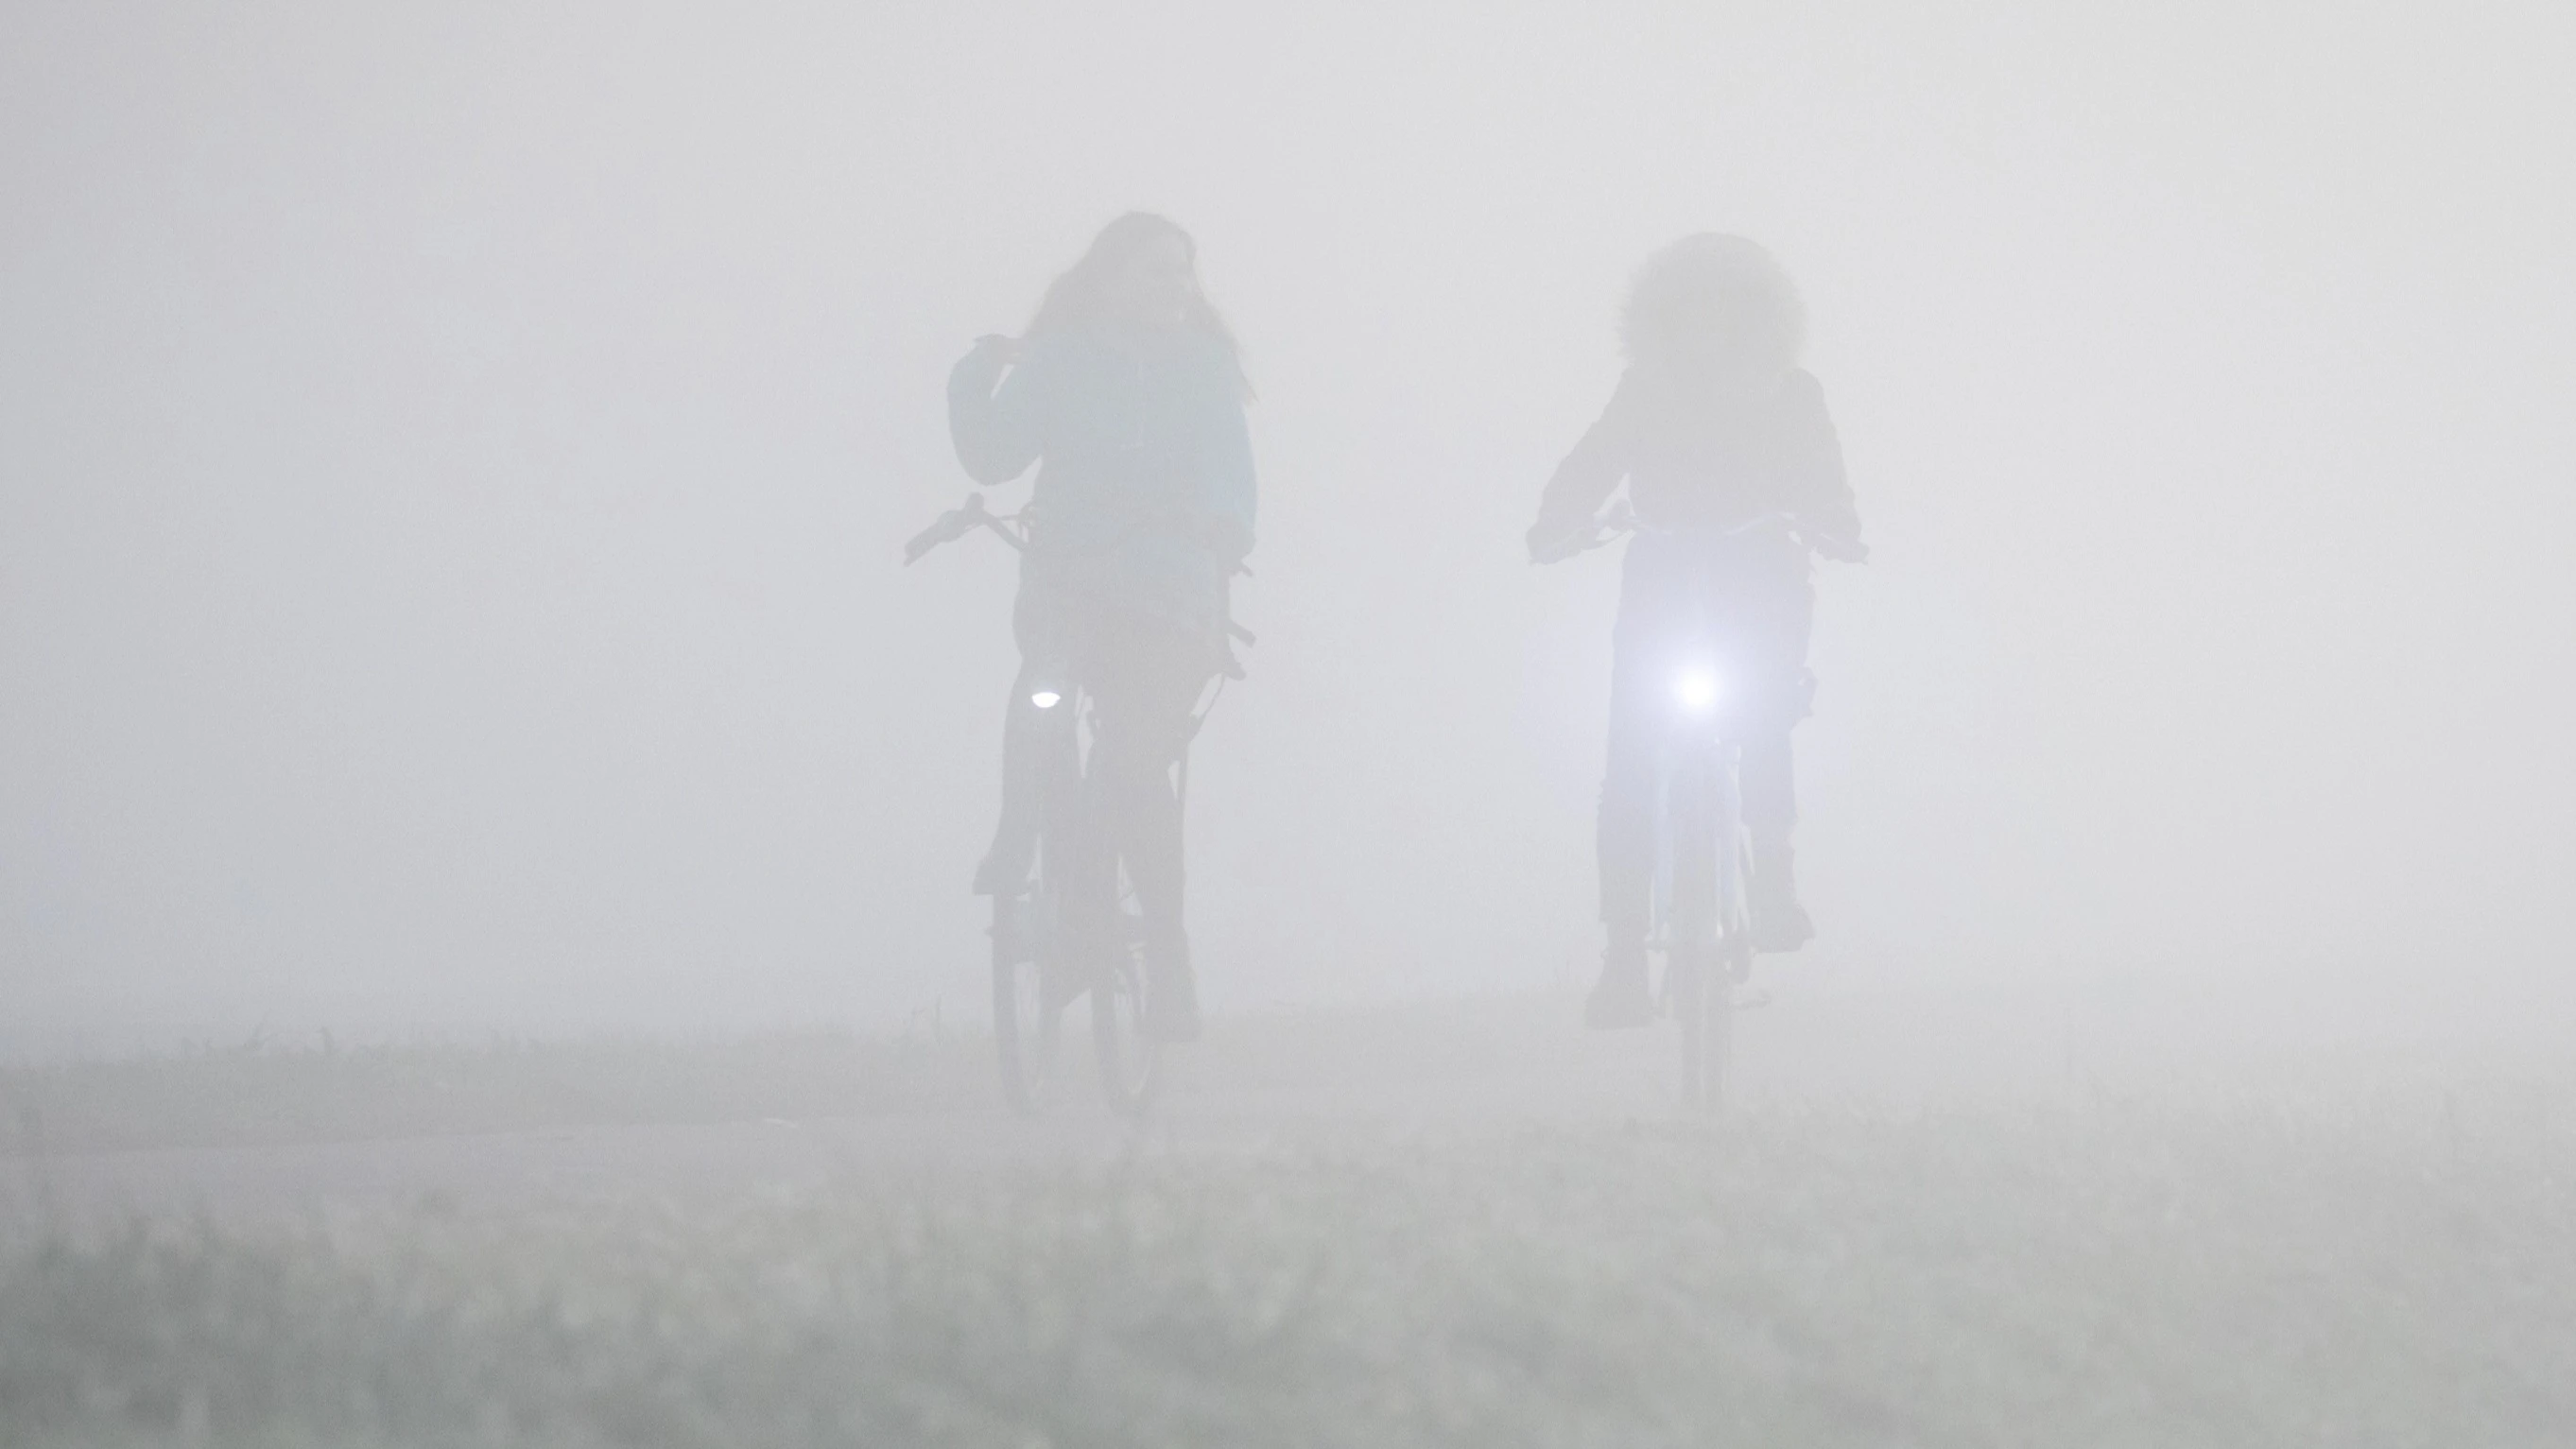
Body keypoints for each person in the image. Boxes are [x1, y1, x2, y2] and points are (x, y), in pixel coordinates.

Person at [1526, 233, 1865, 1029]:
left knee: (1765, 707)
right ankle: (1621, 957)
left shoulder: (1793, 392)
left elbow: (1823, 474)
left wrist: (1836, 525)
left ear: (1754, 312)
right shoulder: (1644, 388)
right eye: (1693, 302)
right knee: (1630, 756)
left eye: (1726, 301)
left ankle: (1773, 872)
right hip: (1663, 581)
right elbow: (1592, 461)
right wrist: (1556, 522)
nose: (1707, 318)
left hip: (1762, 579)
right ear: (1667, 312)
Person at [946, 212, 1255, 1044]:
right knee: (1039, 696)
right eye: (1158, 271)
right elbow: (991, 456)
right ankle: (1020, 835)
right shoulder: (1057, 362)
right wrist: (974, 376)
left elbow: (1232, 473)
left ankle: (1164, 949)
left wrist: (1224, 526)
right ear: (1110, 279)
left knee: (1130, 762)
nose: (1176, 288)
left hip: (1171, 598)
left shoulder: (1204, 369)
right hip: (1069, 583)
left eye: (1183, 273)